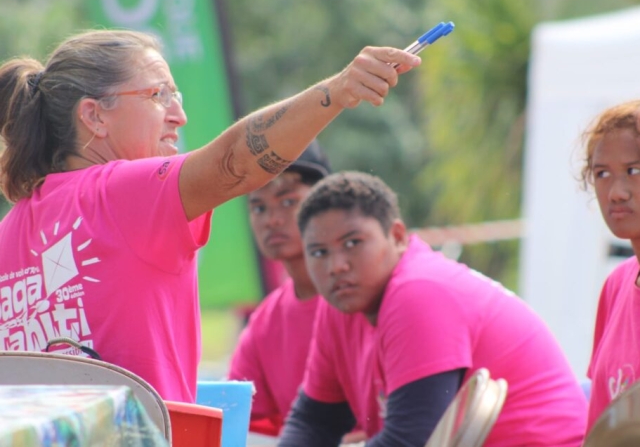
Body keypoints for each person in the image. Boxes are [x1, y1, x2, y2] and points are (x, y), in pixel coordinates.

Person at [0, 29, 421, 403]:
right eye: (158, 95)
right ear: (94, 116)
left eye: (177, 96)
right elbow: (234, 162)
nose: (179, 115)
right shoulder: (121, 192)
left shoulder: (9, 230)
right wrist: (339, 90)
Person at [278, 171, 588, 446]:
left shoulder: (419, 292)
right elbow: (315, 421)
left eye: (352, 243)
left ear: (397, 236)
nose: (336, 266)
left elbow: (409, 441)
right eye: (318, 252)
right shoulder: (340, 305)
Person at [228, 140, 331, 436]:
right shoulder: (266, 322)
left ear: (327, 200)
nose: (271, 220)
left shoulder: (362, 299)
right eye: (259, 207)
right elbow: (230, 418)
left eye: (288, 202)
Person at [579, 100, 640, 430]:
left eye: (634, 171)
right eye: (602, 174)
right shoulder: (616, 285)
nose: (616, 193)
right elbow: (601, 428)